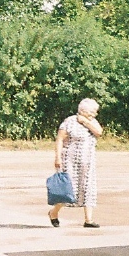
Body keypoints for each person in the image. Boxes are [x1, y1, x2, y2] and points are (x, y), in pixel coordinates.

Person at [49, 98, 103, 228]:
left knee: (88, 187)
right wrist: (58, 158)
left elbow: (99, 132)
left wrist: (86, 122)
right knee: (68, 190)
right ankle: (53, 212)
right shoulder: (69, 122)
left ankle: (88, 220)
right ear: (83, 111)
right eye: (92, 112)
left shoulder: (92, 122)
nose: (94, 114)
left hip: (88, 162)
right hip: (70, 161)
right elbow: (60, 139)